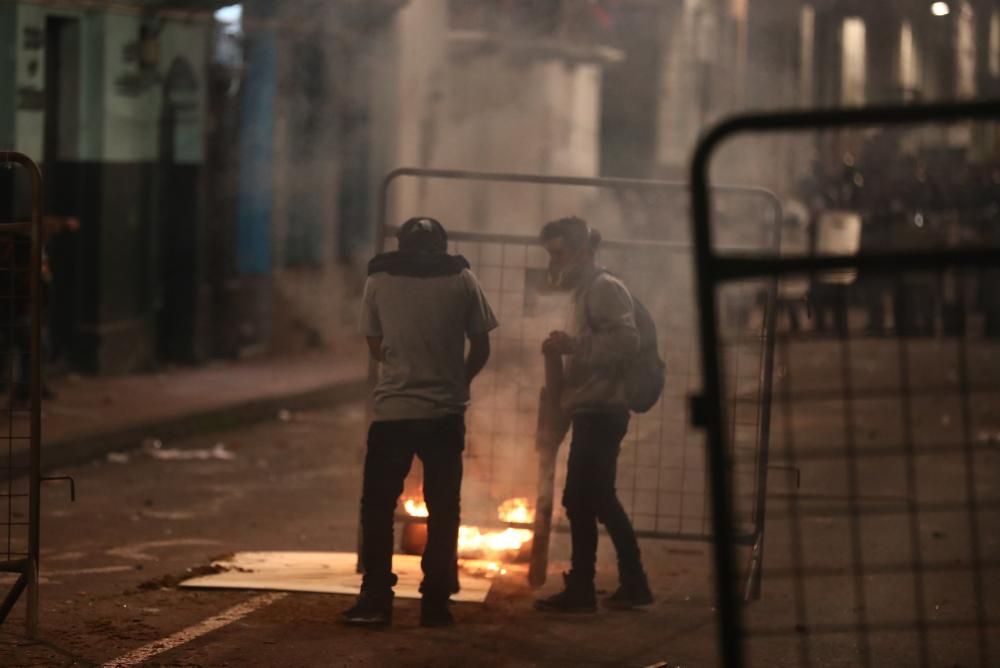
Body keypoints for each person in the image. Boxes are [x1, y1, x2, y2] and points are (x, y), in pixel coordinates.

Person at [340, 217, 498, 628]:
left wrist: (402, 364)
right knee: (444, 509)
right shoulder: (462, 277)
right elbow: (481, 344)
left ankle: (376, 599)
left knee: (377, 507)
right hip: (445, 412)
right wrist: (457, 378)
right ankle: (435, 603)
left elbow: (374, 344)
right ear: (441, 246)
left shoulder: (379, 279)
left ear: (402, 244)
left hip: (394, 411)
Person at [533, 216, 653, 613]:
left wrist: (575, 345)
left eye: (559, 253)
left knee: (588, 497)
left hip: (603, 408)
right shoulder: (583, 290)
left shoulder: (604, 288)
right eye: (550, 254)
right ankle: (623, 582)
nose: (554, 261)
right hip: (589, 406)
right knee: (591, 498)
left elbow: (627, 340)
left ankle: (592, 587)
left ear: (583, 251)